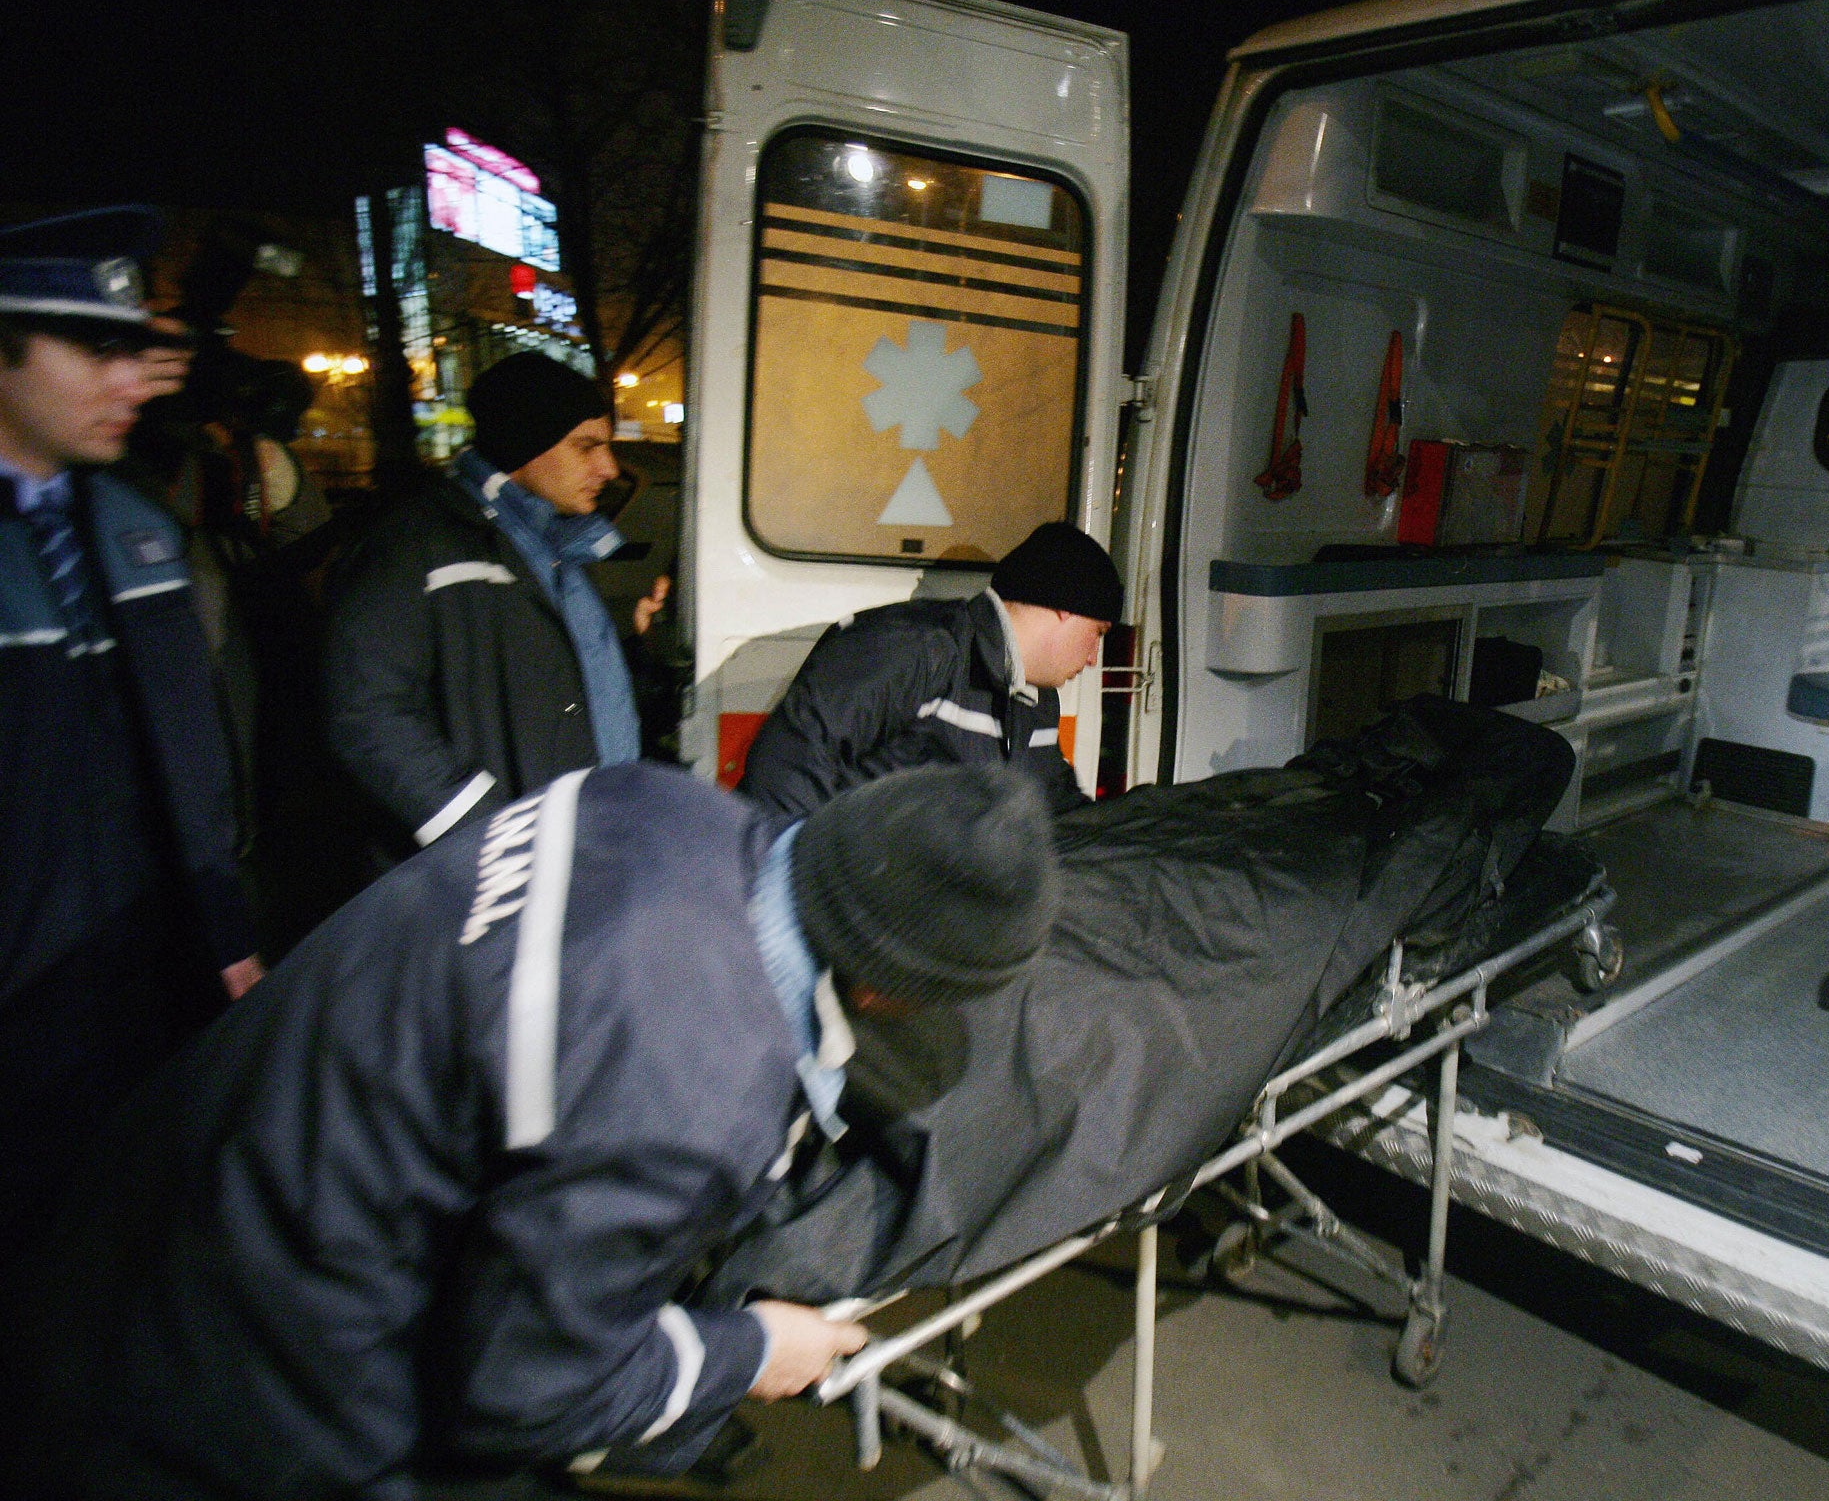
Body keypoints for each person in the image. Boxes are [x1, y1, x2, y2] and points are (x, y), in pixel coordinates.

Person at [1, 760, 1059, 1498]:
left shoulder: (649, 803)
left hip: (150, 1195)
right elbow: (519, 1394)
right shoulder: (691, 1087)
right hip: (252, 1377)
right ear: (887, 993)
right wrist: (744, 1350)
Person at [0, 206, 263, 1259]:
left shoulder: (135, 527)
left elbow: (187, 760)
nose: (130, 381)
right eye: (94, 350)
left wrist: (229, 936)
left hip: (152, 987)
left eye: (135, 350)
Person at [324, 350, 670, 861]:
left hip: (567, 843)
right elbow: (366, 711)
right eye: (586, 447)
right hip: (484, 871)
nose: (609, 467)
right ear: (523, 447)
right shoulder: (418, 544)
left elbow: (530, 661)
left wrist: (623, 634)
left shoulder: (548, 547)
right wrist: (484, 829)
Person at [738, 519, 1122, 820]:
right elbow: (789, 765)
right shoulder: (918, 648)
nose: (1093, 657)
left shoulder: (1033, 699)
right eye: (1097, 633)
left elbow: (1055, 805)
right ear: (1065, 609)